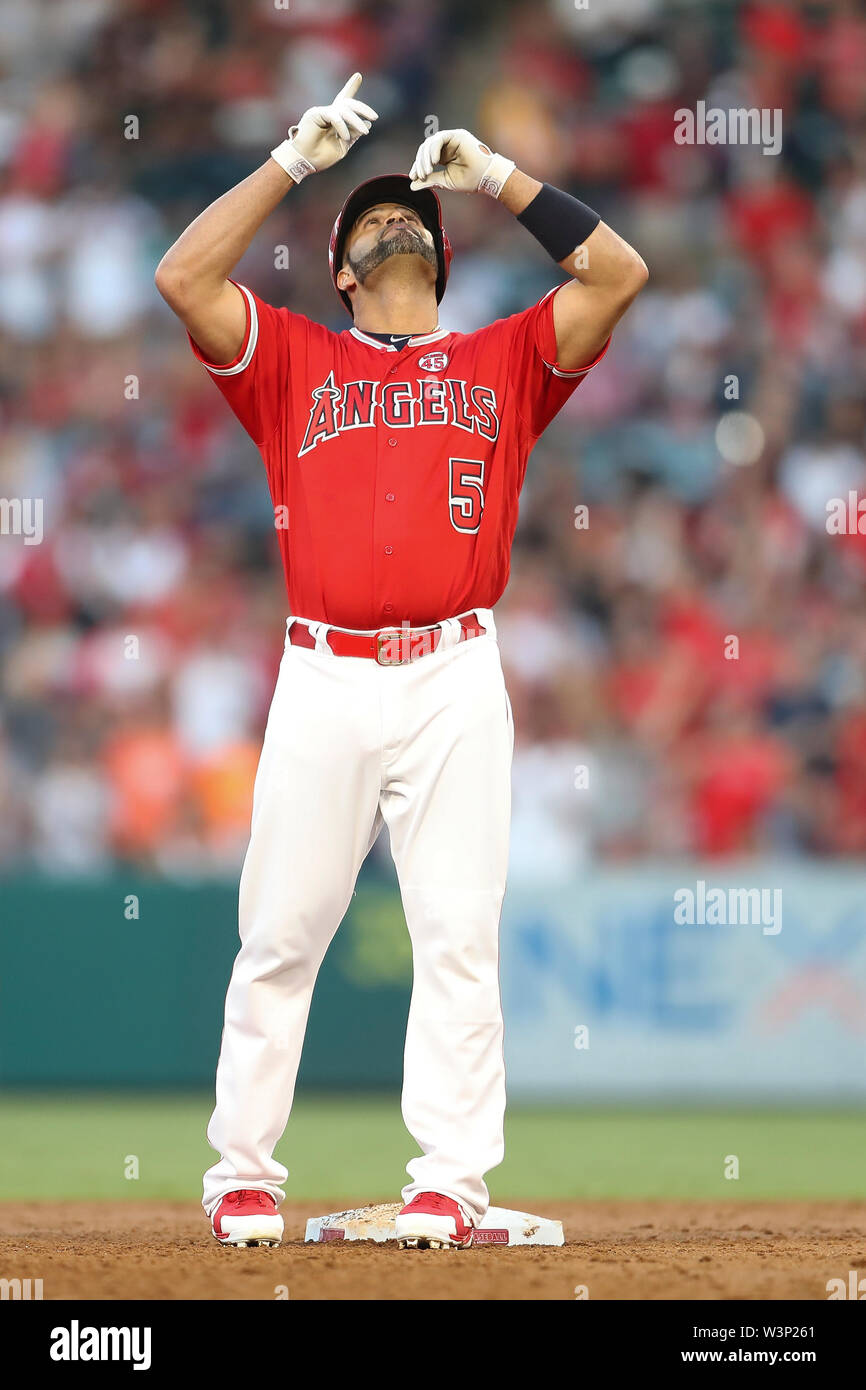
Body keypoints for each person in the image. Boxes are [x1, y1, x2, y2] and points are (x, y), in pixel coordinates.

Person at [155, 73, 647, 1251]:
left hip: (453, 675)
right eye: (365, 221)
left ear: (437, 249)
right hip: (322, 671)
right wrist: (289, 161)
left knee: (457, 933)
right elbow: (183, 277)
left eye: (407, 214)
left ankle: (448, 1183)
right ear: (337, 270)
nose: (389, 224)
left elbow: (618, 273)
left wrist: (497, 177)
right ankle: (243, 1179)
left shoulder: (500, 361)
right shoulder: (293, 363)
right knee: (279, 932)